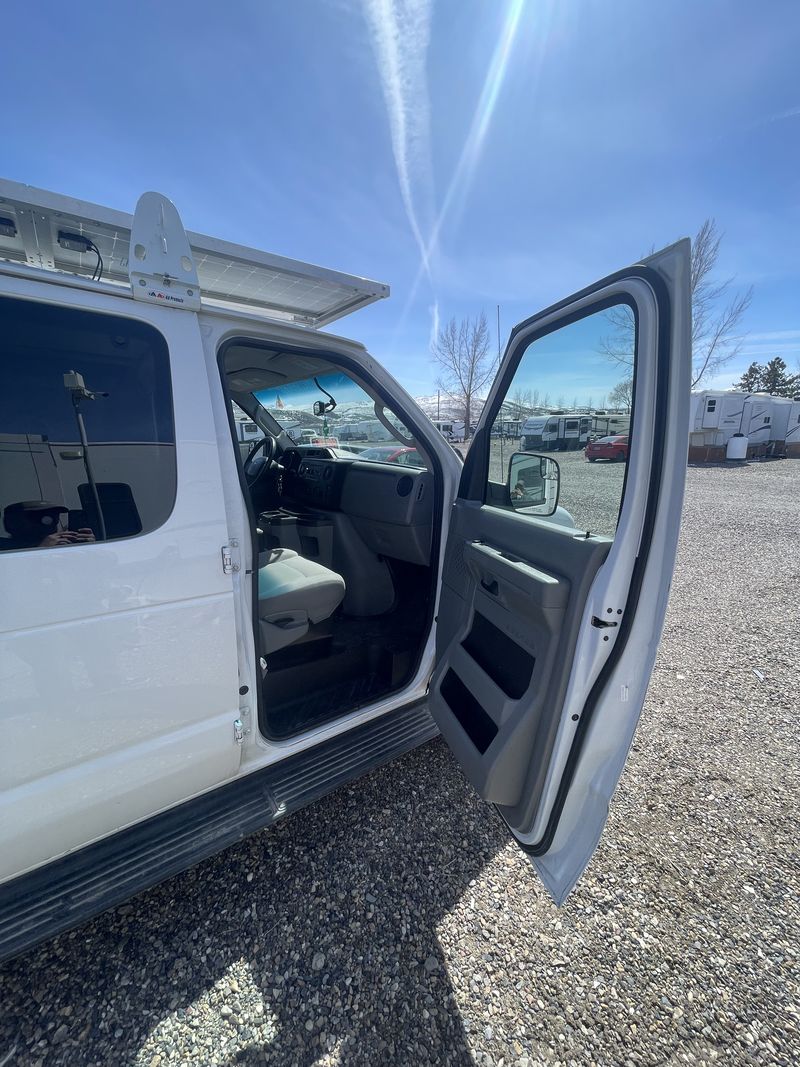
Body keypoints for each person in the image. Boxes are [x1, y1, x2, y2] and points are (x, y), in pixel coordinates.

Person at [0, 501, 95, 551]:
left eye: (55, 517)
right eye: (36, 517)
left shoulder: (65, 547)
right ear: (12, 524)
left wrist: (90, 549)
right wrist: (40, 550)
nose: (50, 522)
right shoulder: (5, 551)